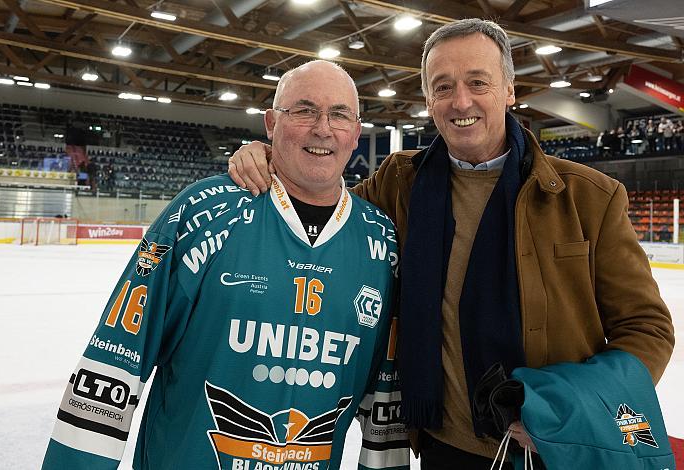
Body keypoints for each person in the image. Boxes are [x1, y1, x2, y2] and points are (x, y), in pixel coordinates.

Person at [228, 19, 675, 470]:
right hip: (444, 447)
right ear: (428, 100)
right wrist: (271, 156)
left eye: (478, 82)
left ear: (509, 90)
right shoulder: (401, 182)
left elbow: (647, 328)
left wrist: (569, 409)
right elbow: (319, 202)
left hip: (553, 449)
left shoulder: (587, 197)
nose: (461, 101)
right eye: (443, 87)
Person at [42, 60, 408, 470]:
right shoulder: (204, 211)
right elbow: (115, 358)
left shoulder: (381, 239)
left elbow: (385, 398)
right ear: (271, 123)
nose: (323, 128)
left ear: (356, 133)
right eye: (304, 111)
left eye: (339, 114)